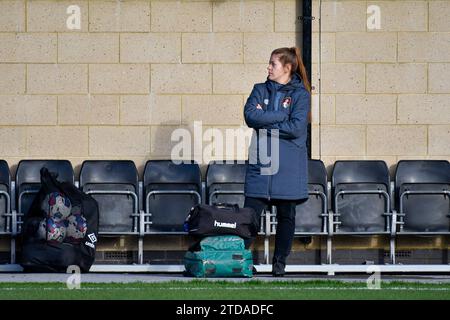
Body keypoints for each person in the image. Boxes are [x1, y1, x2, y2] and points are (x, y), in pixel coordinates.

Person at [243, 47, 311, 277]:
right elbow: (250, 116)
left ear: (287, 68)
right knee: (249, 217)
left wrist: (266, 121)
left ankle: (279, 264)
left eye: (273, 64)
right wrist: (282, 115)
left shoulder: (301, 95)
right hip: (260, 165)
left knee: (286, 216)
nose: (268, 68)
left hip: (288, 167)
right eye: (269, 63)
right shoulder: (258, 89)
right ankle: (244, 261)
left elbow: (297, 127)